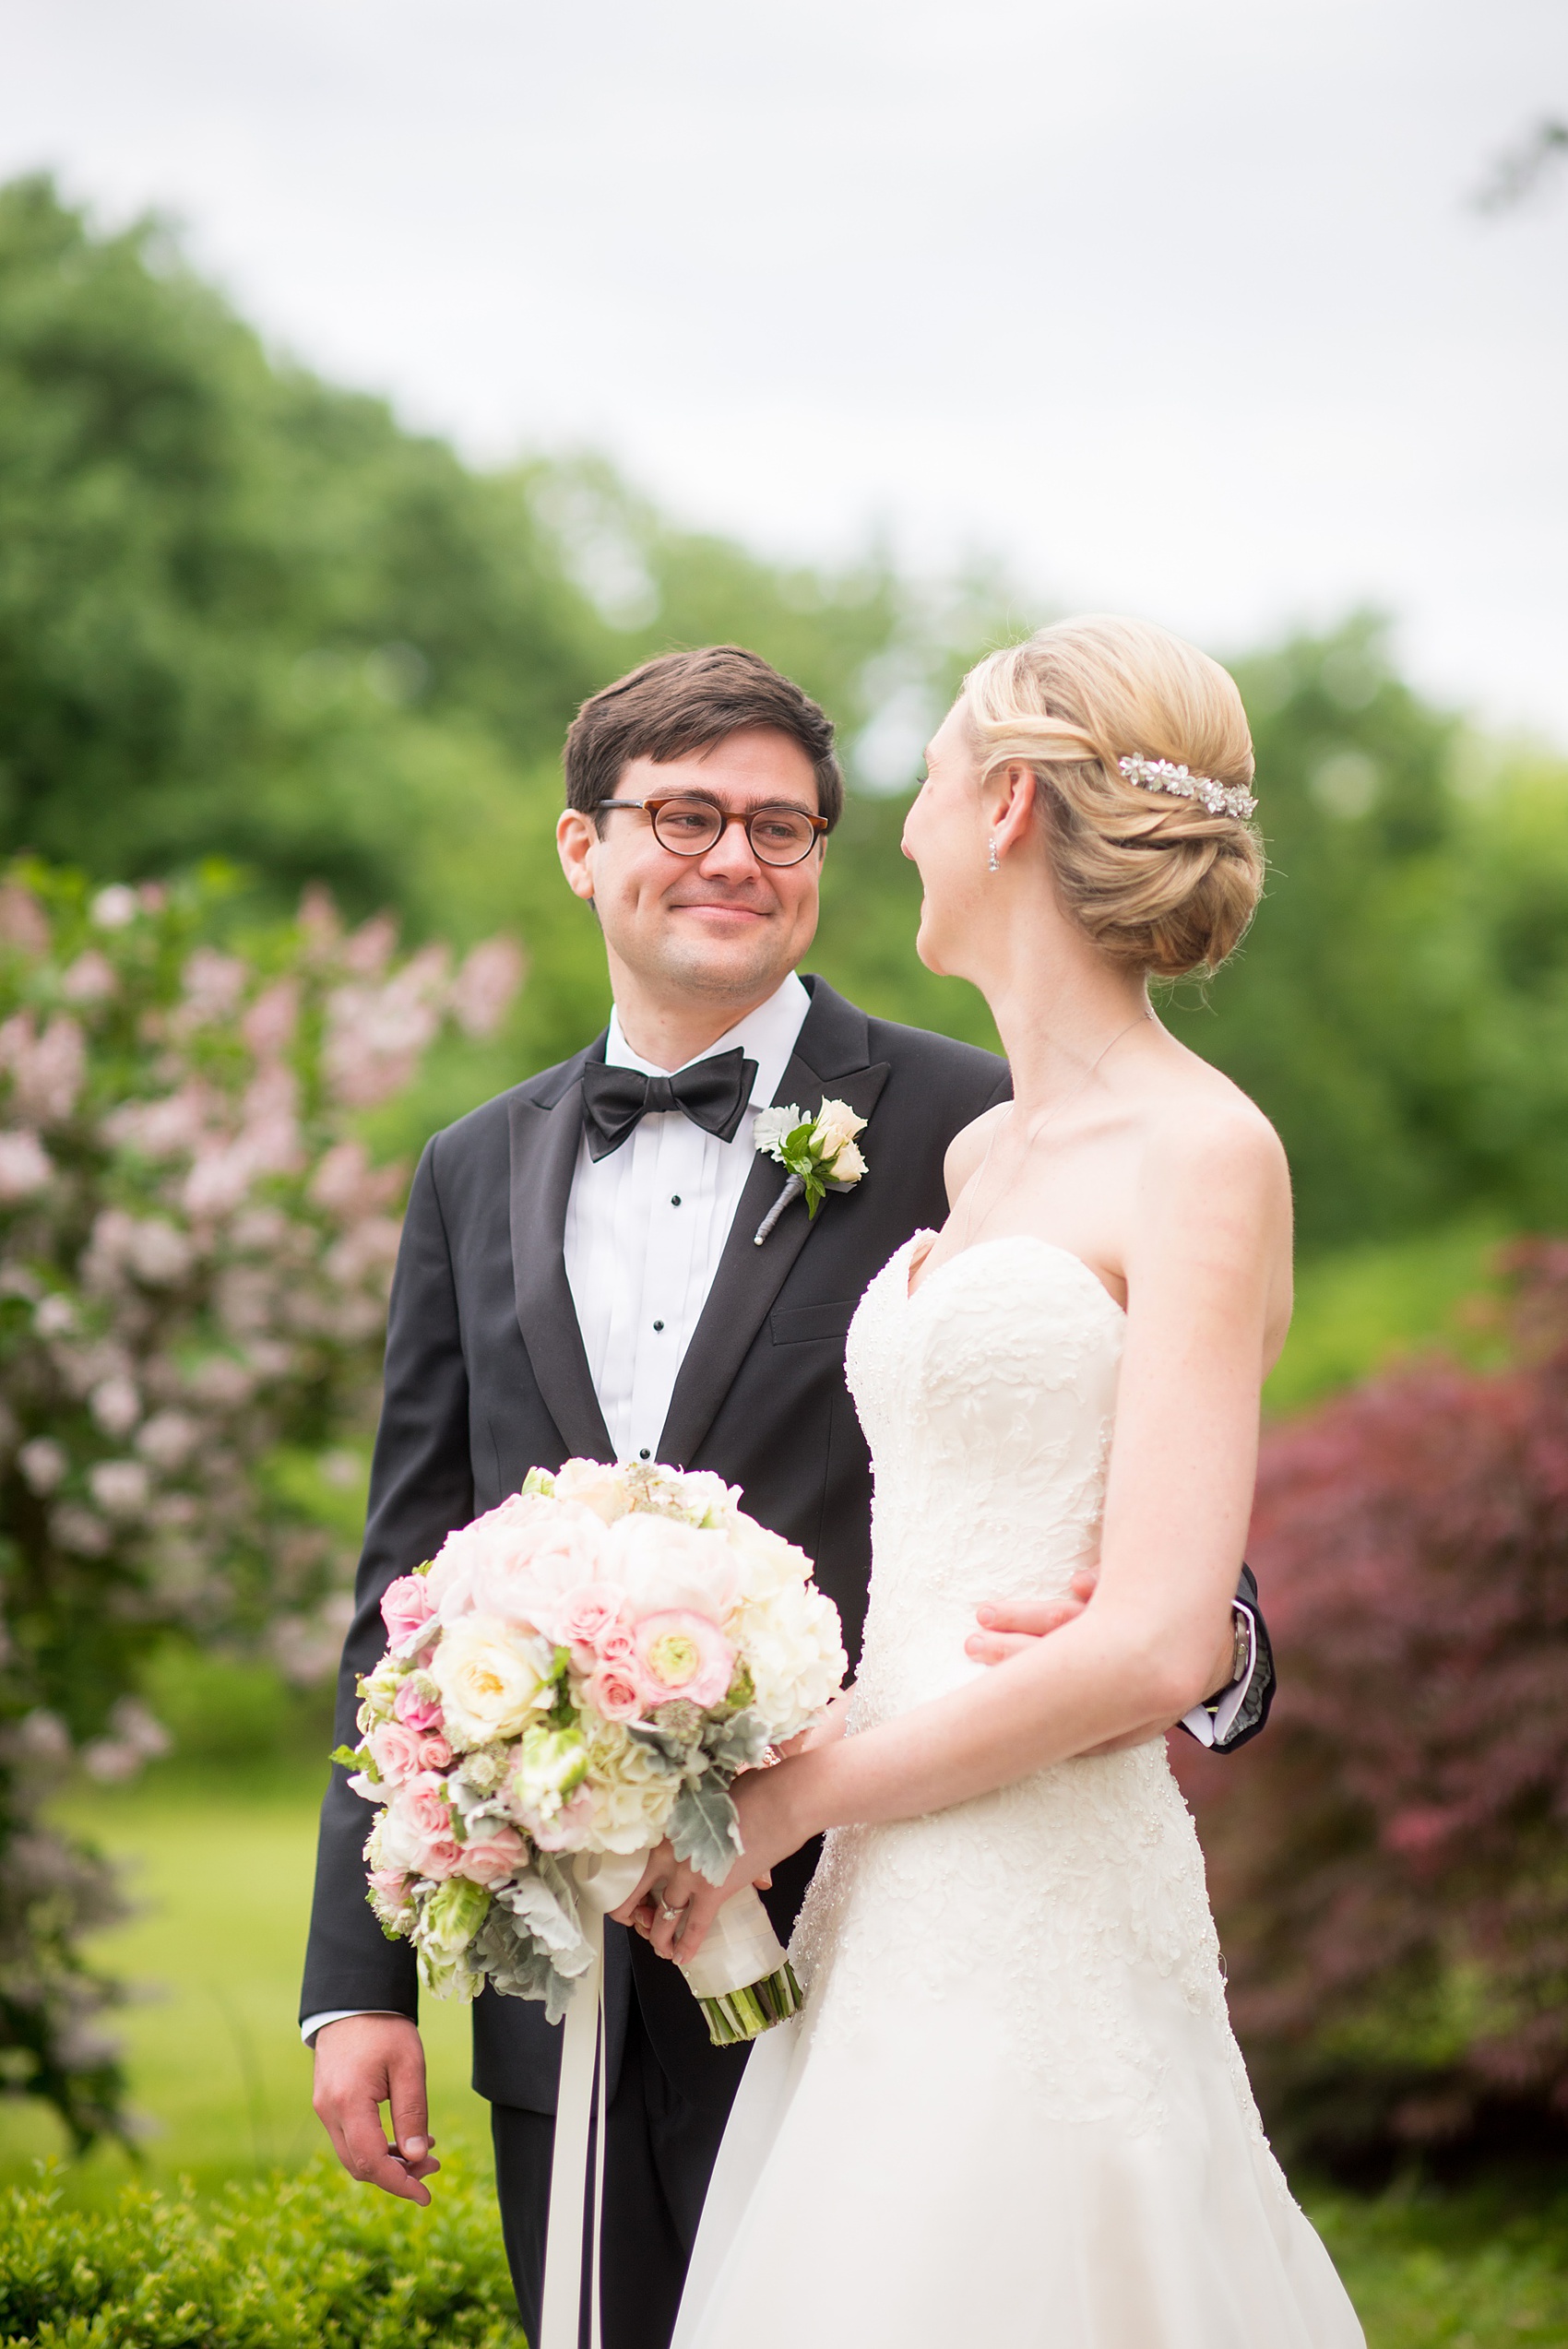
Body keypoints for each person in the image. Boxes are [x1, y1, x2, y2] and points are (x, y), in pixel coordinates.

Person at [298, 643, 1275, 2349]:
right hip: (576, 1952)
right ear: (579, 846)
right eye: (685, 815)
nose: (739, 856)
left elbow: (1144, 1541)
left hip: (878, 1896)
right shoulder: (471, 1171)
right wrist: (356, 1981)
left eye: (785, 824)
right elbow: (410, 1572)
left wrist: (1209, 1651)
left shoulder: (979, 1118)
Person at [629, 617, 1363, 2349]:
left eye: (938, 775)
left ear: (1012, 803)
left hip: (1038, 1871)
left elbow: (1162, 1641)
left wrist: (807, 1797)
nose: (904, 825)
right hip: (900, 1879)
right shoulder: (975, 1151)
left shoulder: (1206, 1150)